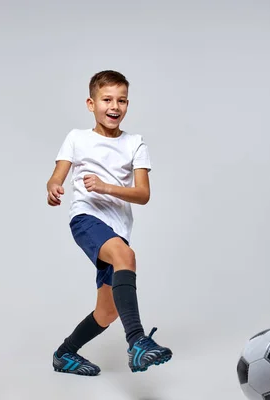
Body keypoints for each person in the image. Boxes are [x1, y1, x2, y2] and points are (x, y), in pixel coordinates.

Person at [46, 70, 172, 376]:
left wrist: (105, 186)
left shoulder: (135, 143)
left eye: (122, 100)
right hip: (86, 218)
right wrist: (54, 185)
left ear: (128, 104)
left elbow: (142, 194)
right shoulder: (77, 138)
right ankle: (137, 342)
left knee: (108, 311)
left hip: (118, 230)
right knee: (125, 256)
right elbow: (58, 173)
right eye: (107, 100)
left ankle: (64, 354)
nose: (114, 106)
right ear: (91, 103)